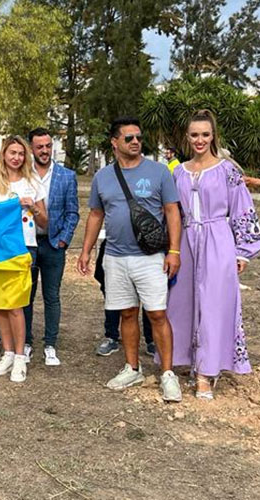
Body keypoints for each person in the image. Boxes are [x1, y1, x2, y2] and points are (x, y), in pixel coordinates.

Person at [76, 116, 183, 403]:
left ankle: (168, 373)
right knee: (126, 313)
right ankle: (132, 367)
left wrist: (174, 251)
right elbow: (96, 215)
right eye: (129, 138)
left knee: (157, 314)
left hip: (150, 258)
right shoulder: (102, 177)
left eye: (138, 137)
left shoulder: (159, 172)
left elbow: (172, 211)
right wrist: (85, 250)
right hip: (115, 256)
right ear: (115, 142)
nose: (136, 142)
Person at [167, 110, 260, 399]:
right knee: (182, 303)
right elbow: (172, 212)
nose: (200, 140)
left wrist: (242, 252)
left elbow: (242, 207)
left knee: (214, 303)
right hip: (186, 240)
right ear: (187, 137)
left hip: (218, 239)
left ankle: (208, 372)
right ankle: (188, 360)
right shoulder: (178, 172)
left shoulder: (227, 170)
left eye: (205, 135)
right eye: (194, 134)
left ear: (213, 136)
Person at [0, 136, 46, 383]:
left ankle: (20, 356)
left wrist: (34, 208)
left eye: (21, 153)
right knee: (1, 303)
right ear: (4, 155)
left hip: (25, 247)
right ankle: (7, 352)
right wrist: (10, 205)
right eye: (12, 153)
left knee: (17, 305)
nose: (16, 157)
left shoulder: (33, 183)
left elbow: (44, 222)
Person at [23, 129, 78, 366]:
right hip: (27, 244)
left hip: (54, 244)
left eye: (48, 146)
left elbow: (73, 212)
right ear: (31, 149)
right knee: (26, 295)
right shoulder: (23, 175)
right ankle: (25, 342)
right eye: (39, 147)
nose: (44, 151)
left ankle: (50, 344)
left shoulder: (66, 175)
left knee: (52, 296)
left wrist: (63, 239)